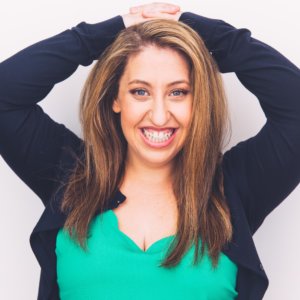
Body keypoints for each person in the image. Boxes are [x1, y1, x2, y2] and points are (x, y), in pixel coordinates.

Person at [0, 2, 299, 300]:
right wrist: (105, 32)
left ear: (199, 102)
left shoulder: (234, 188)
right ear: (115, 98)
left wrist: (202, 30)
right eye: (140, 91)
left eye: (178, 92)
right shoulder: (70, 176)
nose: (158, 116)